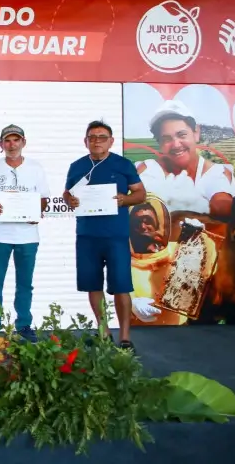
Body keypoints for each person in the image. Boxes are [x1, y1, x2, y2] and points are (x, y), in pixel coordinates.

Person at [63, 120, 146, 351]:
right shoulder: (77, 166)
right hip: (87, 235)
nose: (97, 141)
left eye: (102, 137)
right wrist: (69, 200)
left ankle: (125, 337)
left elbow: (140, 194)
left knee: (121, 286)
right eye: (92, 137)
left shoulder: (123, 164)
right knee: (93, 285)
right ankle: (104, 332)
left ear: (111, 141)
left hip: (116, 236)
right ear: (85, 141)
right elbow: (67, 194)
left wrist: (124, 199)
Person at [0, 125, 50, 342]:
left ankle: (24, 324)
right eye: (7, 141)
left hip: (27, 236)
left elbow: (43, 199)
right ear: (1, 145)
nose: (12, 145)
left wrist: (37, 212)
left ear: (23, 142)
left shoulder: (36, 168)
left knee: (25, 282)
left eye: (16, 140)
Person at [135, 100, 235, 219]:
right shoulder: (148, 170)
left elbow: (223, 207)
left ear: (196, 133)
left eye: (182, 135)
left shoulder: (217, 172)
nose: (176, 145)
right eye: (167, 139)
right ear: (159, 143)